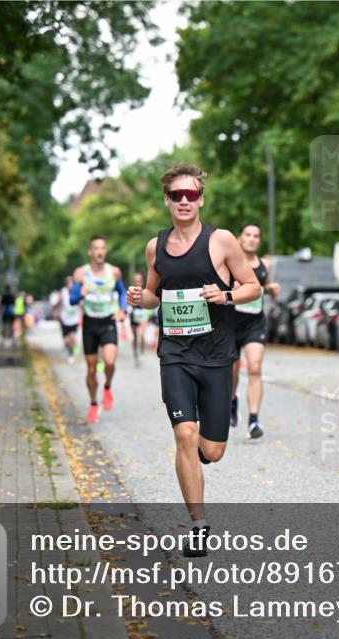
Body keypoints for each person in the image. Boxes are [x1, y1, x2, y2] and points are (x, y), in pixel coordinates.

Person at [127, 162, 260, 557]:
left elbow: (252, 286)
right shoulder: (156, 246)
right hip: (175, 355)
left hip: (217, 356)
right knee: (184, 434)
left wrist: (227, 296)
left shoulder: (221, 241)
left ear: (200, 199)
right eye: (176, 195)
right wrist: (140, 299)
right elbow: (154, 295)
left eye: (191, 195)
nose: (184, 201)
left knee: (212, 450)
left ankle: (198, 453)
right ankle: (199, 526)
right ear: (166, 200)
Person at [230, 224, 280, 438]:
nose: (251, 239)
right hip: (231, 323)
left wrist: (272, 290)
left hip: (254, 323)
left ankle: (253, 420)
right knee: (231, 373)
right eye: (247, 235)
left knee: (255, 368)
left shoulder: (264, 264)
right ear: (239, 238)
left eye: (256, 236)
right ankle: (232, 400)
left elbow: (264, 286)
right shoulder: (230, 261)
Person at [69, 235, 126, 424]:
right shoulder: (80, 273)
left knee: (109, 362)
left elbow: (122, 292)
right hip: (90, 324)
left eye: (102, 248)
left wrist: (122, 310)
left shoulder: (114, 272)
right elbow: (72, 299)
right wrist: (80, 294)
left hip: (108, 321)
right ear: (90, 252)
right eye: (96, 248)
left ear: (105, 251)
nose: (99, 251)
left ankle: (107, 387)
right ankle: (94, 403)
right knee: (91, 369)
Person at [127, 272, 154, 367]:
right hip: (134, 316)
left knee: (142, 335)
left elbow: (151, 302)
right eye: (136, 280)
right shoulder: (131, 290)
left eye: (139, 280)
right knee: (135, 337)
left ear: (142, 281)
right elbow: (127, 303)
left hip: (143, 315)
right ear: (133, 281)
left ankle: (141, 353)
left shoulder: (146, 290)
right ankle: (136, 354)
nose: (137, 282)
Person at [55, 276, 82, 364]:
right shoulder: (63, 292)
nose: (70, 285)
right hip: (64, 318)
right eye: (68, 283)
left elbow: (81, 302)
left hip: (74, 318)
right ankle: (69, 350)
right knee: (66, 340)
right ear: (66, 284)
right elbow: (59, 303)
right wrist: (56, 312)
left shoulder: (77, 291)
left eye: (71, 283)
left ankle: (71, 354)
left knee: (72, 338)